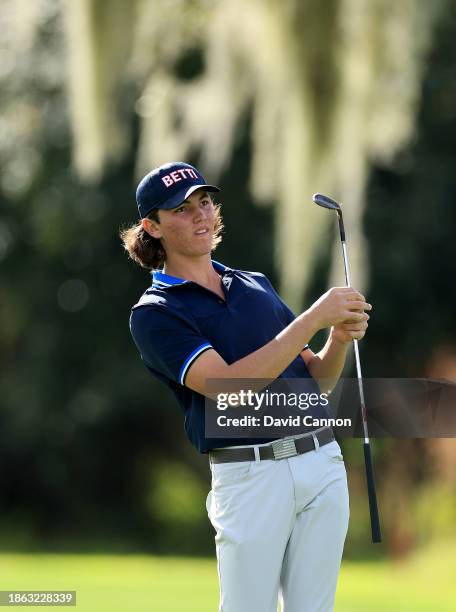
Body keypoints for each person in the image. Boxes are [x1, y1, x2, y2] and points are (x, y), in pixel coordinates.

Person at [120, 161, 371, 612]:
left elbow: (314, 383)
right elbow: (229, 387)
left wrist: (336, 338)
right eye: (181, 209)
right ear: (151, 226)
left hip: (321, 463)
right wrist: (314, 318)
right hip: (250, 476)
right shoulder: (155, 313)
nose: (200, 214)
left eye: (204, 202)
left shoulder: (253, 283)